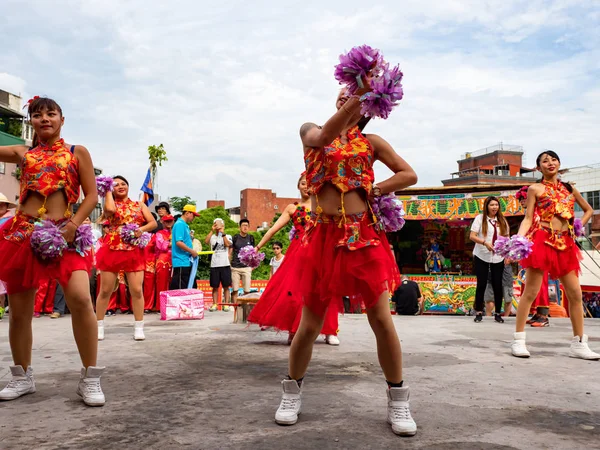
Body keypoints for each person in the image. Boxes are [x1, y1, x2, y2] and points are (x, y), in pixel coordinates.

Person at [274, 85, 418, 436]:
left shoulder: (372, 143)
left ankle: (398, 399)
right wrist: (361, 94)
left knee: (381, 319)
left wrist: (376, 189)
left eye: (355, 94)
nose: (346, 97)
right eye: (343, 93)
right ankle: (291, 391)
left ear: (369, 103)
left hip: (364, 237)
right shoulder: (312, 132)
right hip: (322, 237)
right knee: (310, 324)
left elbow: (408, 174)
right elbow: (325, 134)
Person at [0, 96, 105, 406]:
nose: (44, 118)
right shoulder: (23, 152)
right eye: (37, 114)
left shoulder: (77, 153)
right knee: (19, 313)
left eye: (50, 113)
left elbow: (91, 196)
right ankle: (22, 376)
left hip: (65, 235)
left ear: (61, 119)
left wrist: (73, 224)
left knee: (81, 300)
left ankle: (90, 377)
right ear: (31, 121)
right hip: (22, 235)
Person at [512, 150, 599, 360]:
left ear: (559, 163)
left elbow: (588, 210)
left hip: (566, 243)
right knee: (531, 292)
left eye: (553, 159)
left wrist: (578, 226)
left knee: (575, 294)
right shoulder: (535, 189)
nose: (550, 163)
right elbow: (528, 218)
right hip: (542, 240)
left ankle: (579, 343)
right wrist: (519, 239)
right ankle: (519, 340)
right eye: (545, 161)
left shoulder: (569, 188)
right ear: (538, 167)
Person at [248, 173, 340, 345]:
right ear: (298, 186)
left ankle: (330, 331)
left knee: (325, 291)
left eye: (310, 183)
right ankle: (295, 330)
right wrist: (258, 246)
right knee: (295, 291)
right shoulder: (292, 208)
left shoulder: (323, 205)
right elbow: (273, 229)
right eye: (303, 183)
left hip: (321, 253)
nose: (306, 186)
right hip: (298, 253)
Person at [95, 175, 157, 341]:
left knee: (136, 290)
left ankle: (139, 326)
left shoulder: (139, 205)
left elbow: (153, 223)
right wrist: (107, 190)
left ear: (129, 186)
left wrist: (141, 229)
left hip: (133, 250)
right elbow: (110, 211)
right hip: (112, 249)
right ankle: (99, 326)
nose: (120, 186)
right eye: (115, 185)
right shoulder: (110, 203)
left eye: (123, 184)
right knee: (106, 290)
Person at [469, 196, 510, 324]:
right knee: (481, 284)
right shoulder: (480, 219)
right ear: (487, 206)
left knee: (498, 284)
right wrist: (484, 242)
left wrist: (507, 255)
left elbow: (507, 238)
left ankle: (498, 313)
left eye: (496, 205)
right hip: (482, 255)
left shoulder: (502, 220)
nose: (494, 207)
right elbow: (472, 236)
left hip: (498, 257)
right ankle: (479, 312)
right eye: (492, 205)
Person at [170, 205, 200, 290]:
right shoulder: (179, 224)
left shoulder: (184, 225)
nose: (193, 218)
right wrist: (192, 251)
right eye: (193, 215)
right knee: (180, 288)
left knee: (188, 287)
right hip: (181, 261)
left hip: (186, 261)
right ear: (187, 213)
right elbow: (179, 242)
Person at [205, 218, 232, 312]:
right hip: (214, 264)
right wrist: (212, 230)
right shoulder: (212, 236)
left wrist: (222, 233)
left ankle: (226, 304)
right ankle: (215, 304)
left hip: (225, 264)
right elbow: (206, 241)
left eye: (218, 224)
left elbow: (228, 244)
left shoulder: (227, 236)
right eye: (215, 224)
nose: (217, 226)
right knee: (215, 286)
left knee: (226, 286)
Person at [230, 219, 255, 303]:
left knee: (247, 291)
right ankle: (235, 309)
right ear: (239, 227)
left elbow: (254, 252)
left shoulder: (251, 238)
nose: (245, 227)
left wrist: (253, 265)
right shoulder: (235, 237)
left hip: (246, 268)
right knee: (235, 290)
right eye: (243, 225)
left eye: (247, 225)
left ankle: (245, 308)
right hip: (235, 267)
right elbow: (230, 251)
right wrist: (229, 264)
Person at [0, 193, 16, 319]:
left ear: (6, 206)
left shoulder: (11, 221)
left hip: (6, 255)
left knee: (5, 285)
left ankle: (2, 308)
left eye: (2, 204)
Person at [154, 214, 174, 307]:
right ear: (163, 222)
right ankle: (160, 306)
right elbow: (161, 246)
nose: (169, 223)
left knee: (172, 283)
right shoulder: (159, 233)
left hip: (174, 260)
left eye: (170, 221)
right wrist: (172, 243)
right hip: (163, 260)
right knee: (162, 283)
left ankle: (171, 305)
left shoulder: (175, 232)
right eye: (167, 221)